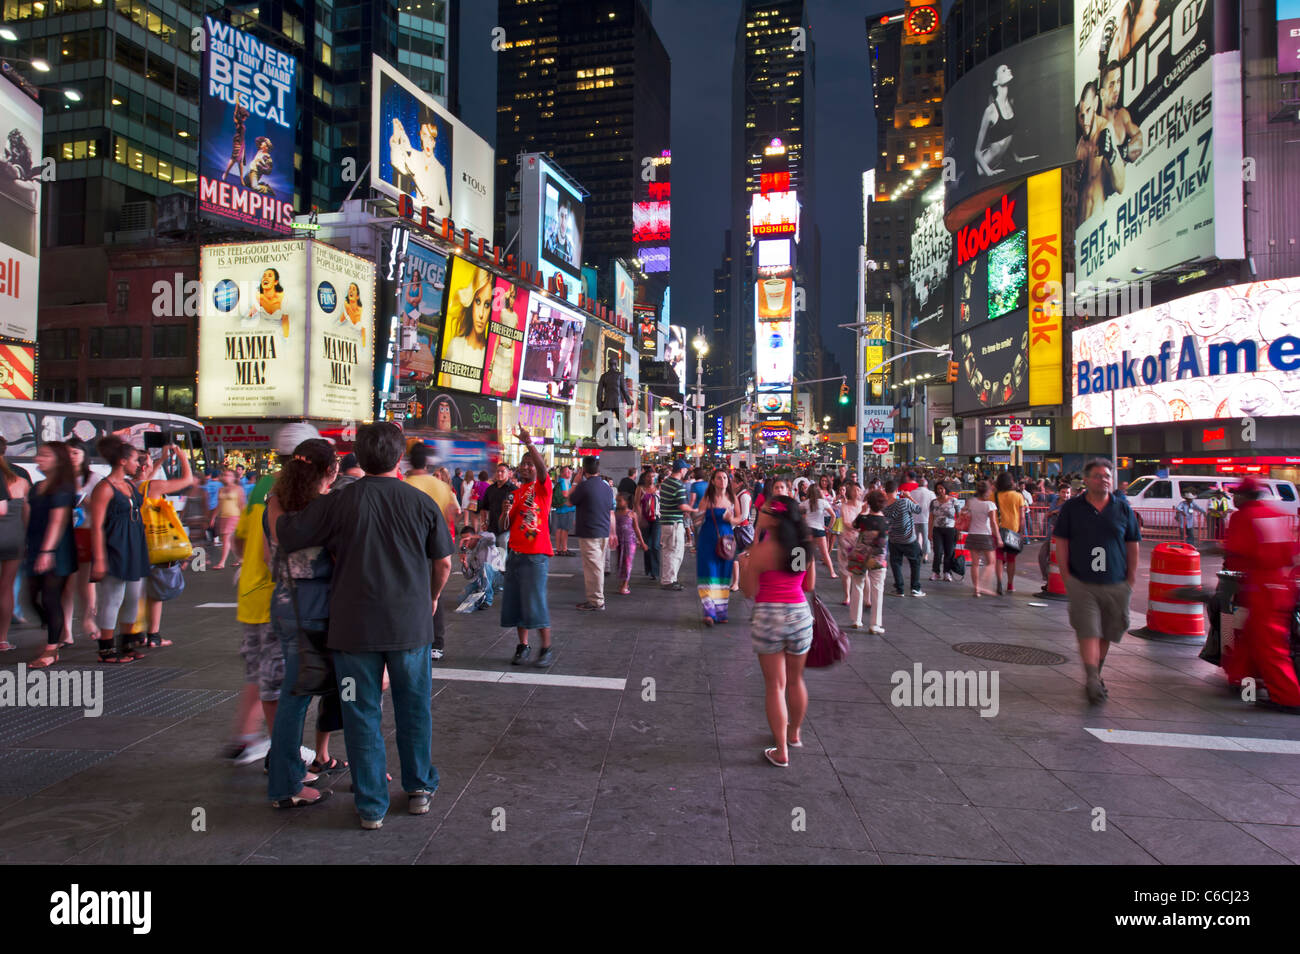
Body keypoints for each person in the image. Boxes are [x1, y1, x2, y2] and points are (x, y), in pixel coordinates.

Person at [277, 423, 453, 828]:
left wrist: (275, 496)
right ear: (398, 459)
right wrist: (431, 597)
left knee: (360, 712)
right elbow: (443, 562)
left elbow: (289, 534)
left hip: (353, 630)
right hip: (410, 627)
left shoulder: (340, 501)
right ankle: (419, 788)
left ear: (359, 455)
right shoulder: (421, 501)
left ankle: (371, 806)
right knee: (414, 708)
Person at [264, 438, 339, 809]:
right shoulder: (325, 508)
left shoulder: (273, 505)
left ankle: (291, 767)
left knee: (294, 693)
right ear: (329, 471)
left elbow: (269, 557)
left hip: (283, 604)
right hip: (315, 609)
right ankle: (285, 784)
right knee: (296, 699)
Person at [87, 436, 192, 663]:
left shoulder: (129, 486)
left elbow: (147, 481)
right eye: (136, 460)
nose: (140, 465)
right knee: (113, 598)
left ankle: (127, 643)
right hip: (115, 546)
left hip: (135, 544)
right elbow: (96, 526)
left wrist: (160, 461)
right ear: (123, 461)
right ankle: (106, 649)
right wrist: (99, 559)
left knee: (133, 598)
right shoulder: (104, 488)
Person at [1053, 458, 1141, 704]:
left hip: (1116, 582)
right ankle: (1092, 677)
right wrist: (1066, 575)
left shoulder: (1122, 508)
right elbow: (1061, 541)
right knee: (1088, 630)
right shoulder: (1072, 508)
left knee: (1106, 632)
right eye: (1098, 475)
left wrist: (1131, 578)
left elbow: (1132, 544)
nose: (1103, 479)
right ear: (1087, 479)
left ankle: (1096, 673)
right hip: (1082, 582)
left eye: (1107, 476)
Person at [738, 495, 815, 768]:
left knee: (775, 685)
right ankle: (794, 733)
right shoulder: (802, 548)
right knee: (796, 681)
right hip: (799, 614)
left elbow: (749, 591)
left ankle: (781, 749)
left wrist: (746, 563)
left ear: (775, 518)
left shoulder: (762, 550)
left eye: (765, 510)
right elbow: (808, 585)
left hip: (769, 615)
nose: (760, 512)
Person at [1222, 477, 1300, 711]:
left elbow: (1235, 551)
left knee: (1269, 645)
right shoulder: (1274, 513)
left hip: (1261, 587)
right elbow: (1290, 553)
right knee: (1252, 636)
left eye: (1237, 494)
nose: (1234, 498)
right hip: (1280, 585)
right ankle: (1242, 679)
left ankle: (1289, 697)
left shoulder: (1243, 516)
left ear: (1246, 496)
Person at [500, 426, 555, 666]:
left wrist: (529, 443)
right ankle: (523, 646)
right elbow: (505, 524)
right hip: (515, 554)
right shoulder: (518, 492)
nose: (526, 467)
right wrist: (504, 512)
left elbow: (542, 470)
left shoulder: (543, 488)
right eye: (523, 464)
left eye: (530, 464)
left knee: (535, 602)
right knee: (517, 602)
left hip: (536, 556)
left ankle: (546, 647)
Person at [21, 443, 76, 670]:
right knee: (31, 597)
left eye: (45, 455)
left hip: (56, 550)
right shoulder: (36, 487)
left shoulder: (62, 488)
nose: (38, 459)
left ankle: (52, 647)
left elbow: (58, 522)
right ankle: (56, 631)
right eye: (39, 454)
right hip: (36, 545)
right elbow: (29, 517)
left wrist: (47, 551)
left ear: (58, 460)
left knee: (50, 597)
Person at [404, 443, 459, 661]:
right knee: (436, 593)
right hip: (437, 547)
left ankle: (414, 638)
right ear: (427, 462)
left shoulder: (405, 484)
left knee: (411, 593)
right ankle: (437, 643)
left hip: (411, 548)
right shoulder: (440, 486)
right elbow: (451, 514)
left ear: (409, 461)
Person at [689, 468, 740, 626]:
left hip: (727, 539)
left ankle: (720, 611)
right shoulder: (708, 498)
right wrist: (692, 512)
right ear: (712, 481)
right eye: (719, 478)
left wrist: (731, 519)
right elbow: (697, 519)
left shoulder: (732, 498)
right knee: (709, 574)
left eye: (725, 477)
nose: (722, 480)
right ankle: (709, 612)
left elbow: (740, 518)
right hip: (707, 539)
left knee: (723, 576)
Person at [570, 457, 617, 612]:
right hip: (603, 531)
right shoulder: (606, 487)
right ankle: (596, 598)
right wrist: (613, 532)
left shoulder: (584, 486)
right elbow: (611, 512)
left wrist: (576, 481)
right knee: (597, 566)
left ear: (583, 470)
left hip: (589, 532)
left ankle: (596, 600)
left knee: (593, 568)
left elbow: (569, 500)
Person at [851, 491, 890, 634]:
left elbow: (854, 524)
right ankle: (875, 624)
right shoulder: (886, 522)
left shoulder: (863, 519)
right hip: (878, 558)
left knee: (857, 585)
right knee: (877, 589)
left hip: (860, 556)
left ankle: (856, 619)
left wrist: (862, 511)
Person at [0, 446, 24, 653]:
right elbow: (28, 512)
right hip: (14, 538)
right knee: (6, 588)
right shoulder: (22, 477)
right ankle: (2, 639)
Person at [883, 481, 923, 597]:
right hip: (909, 539)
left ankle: (899, 589)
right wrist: (909, 496)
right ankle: (915, 588)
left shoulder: (884, 507)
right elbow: (918, 509)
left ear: (886, 491)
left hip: (894, 540)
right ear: (897, 491)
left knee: (896, 564)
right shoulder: (904, 502)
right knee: (915, 562)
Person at [964, 480, 1001, 598]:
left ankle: (976, 589)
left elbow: (964, 513)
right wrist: (999, 538)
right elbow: (993, 523)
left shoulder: (970, 502)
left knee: (975, 564)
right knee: (991, 562)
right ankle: (983, 586)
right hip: (985, 535)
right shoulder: (990, 505)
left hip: (972, 534)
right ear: (987, 491)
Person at [658, 460, 689, 591]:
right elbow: (682, 505)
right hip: (674, 523)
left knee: (668, 551)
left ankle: (669, 578)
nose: (686, 471)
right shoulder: (678, 485)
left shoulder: (665, 483)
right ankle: (669, 580)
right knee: (675, 551)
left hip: (666, 522)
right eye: (686, 469)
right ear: (682, 470)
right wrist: (693, 510)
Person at [994, 471, 1026, 594]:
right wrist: (1021, 532)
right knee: (1011, 559)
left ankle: (999, 581)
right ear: (1011, 482)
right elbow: (1022, 517)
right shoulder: (1018, 496)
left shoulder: (994, 495)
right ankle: (1010, 585)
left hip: (998, 531)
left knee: (999, 557)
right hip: (1014, 531)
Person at [800, 484, 838, 579]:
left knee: (809, 553)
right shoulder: (823, 502)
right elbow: (833, 516)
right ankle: (832, 572)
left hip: (808, 529)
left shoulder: (805, 503)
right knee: (825, 553)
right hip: (819, 529)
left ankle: (803, 574)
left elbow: (797, 511)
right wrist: (828, 527)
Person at [211, 469, 245, 569]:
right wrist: (213, 517)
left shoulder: (238, 489)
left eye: (229, 475)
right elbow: (219, 505)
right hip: (223, 517)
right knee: (231, 539)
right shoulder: (221, 489)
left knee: (226, 538)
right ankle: (240, 558)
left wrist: (245, 518)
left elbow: (241, 504)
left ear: (234, 477)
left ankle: (222, 562)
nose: (226, 477)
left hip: (234, 516)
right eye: (225, 475)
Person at [1038, 483, 1072, 582]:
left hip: (1065, 538)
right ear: (1059, 493)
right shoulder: (1054, 501)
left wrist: (1054, 512)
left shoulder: (1071, 504)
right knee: (1042, 556)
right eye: (1063, 492)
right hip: (1051, 535)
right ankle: (1047, 579)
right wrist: (1054, 512)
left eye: (1068, 493)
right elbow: (1048, 514)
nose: (1066, 495)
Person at [837, 483, 864, 604]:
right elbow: (847, 523)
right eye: (854, 490)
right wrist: (859, 527)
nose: (856, 492)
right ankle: (847, 595)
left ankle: (861, 596)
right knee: (845, 570)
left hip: (860, 542)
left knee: (860, 571)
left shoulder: (864, 507)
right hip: (846, 542)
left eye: (858, 490)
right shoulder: (844, 506)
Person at [613, 493, 644, 596]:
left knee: (627, 563)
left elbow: (637, 529)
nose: (617, 503)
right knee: (620, 562)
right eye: (616, 501)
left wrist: (642, 542)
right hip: (619, 542)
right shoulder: (615, 513)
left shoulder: (631, 514)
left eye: (619, 501)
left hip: (630, 542)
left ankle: (625, 585)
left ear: (626, 502)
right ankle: (623, 583)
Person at [633, 470, 661, 581]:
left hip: (657, 519)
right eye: (649, 477)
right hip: (645, 519)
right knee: (647, 545)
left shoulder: (658, 488)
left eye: (653, 476)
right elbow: (636, 504)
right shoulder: (640, 489)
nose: (651, 479)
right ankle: (649, 569)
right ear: (645, 478)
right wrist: (640, 518)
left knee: (655, 545)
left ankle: (655, 571)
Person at [928, 482, 958, 582]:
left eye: (942, 488)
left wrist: (959, 530)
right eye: (938, 489)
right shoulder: (933, 502)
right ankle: (935, 572)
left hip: (951, 529)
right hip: (937, 529)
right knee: (938, 551)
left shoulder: (954, 501)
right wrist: (929, 531)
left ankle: (947, 572)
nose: (940, 491)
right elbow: (931, 517)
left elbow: (959, 516)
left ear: (946, 489)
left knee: (949, 552)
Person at [483, 462, 517, 549]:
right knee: (490, 554)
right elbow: (484, 508)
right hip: (492, 528)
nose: (499, 473)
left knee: (503, 550)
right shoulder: (490, 489)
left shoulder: (514, 490)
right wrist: (484, 522)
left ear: (509, 473)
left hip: (507, 529)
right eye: (497, 471)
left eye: (502, 471)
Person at [910, 477, 936, 565]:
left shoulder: (912, 492)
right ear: (926, 485)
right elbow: (934, 505)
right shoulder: (930, 493)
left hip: (915, 518)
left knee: (916, 538)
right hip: (926, 518)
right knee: (926, 539)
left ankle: (917, 554)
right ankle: (925, 556)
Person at [552, 465, 576, 556]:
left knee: (560, 529)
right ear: (562, 473)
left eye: (570, 471)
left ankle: (559, 549)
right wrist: (574, 489)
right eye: (567, 472)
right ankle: (564, 549)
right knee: (564, 530)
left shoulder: (561, 481)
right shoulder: (564, 482)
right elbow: (565, 494)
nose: (569, 473)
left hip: (561, 509)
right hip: (566, 508)